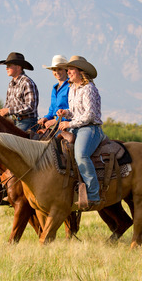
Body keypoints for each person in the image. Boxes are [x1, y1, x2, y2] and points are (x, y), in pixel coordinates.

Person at [56, 56, 104, 209]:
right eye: (68, 69)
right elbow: (77, 112)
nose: (68, 72)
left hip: (90, 128)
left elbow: (89, 115)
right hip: (77, 126)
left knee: (81, 155)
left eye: (71, 69)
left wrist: (69, 123)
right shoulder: (72, 89)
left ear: (80, 71)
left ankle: (93, 193)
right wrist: (66, 112)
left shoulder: (88, 88)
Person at [0, 52, 39, 132]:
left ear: (18, 67)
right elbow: (8, 104)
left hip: (28, 122)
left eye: (9, 66)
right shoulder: (11, 84)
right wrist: (2, 112)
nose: (6, 68)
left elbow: (30, 107)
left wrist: (8, 111)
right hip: (15, 122)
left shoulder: (27, 82)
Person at [37, 55, 70, 131]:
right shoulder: (54, 88)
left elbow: (72, 109)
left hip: (66, 125)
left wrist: (55, 120)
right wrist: (46, 118)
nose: (57, 72)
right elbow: (52, 110)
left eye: (59, 69)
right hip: (54, 125)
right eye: (54, 70)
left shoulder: (70, 86)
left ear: (66, 70)